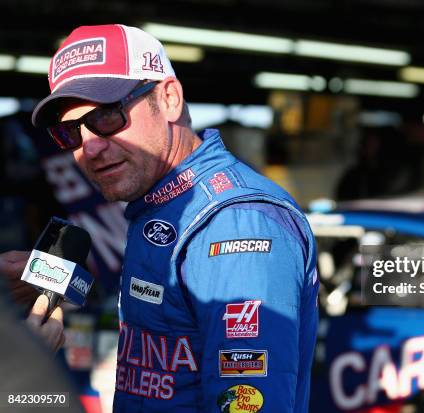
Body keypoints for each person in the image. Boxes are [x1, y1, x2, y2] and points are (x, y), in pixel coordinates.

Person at [30, 24, 319, 413]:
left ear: (168, 98)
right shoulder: (160, 204)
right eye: (70, 133)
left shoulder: (235, 225)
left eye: (107, 116)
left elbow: (250, 403)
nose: (90, 147)